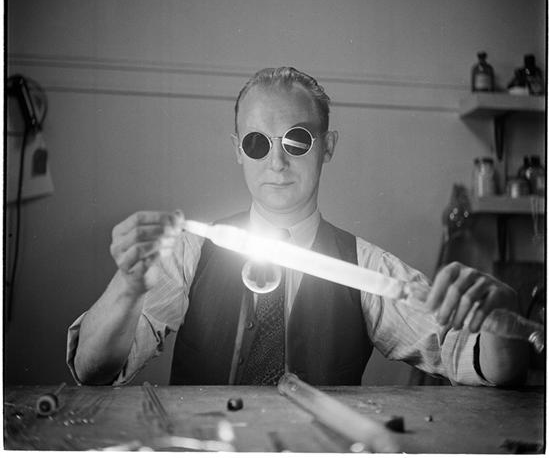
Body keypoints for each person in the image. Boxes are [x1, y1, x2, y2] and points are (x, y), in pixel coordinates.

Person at [67, 67, 528, 387]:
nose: (277, 162)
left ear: (328, 146)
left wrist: (500, 315)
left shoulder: (364, 268)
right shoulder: (189, 252)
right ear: (237, 149)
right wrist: (128, 286)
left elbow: (476, 362)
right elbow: (92, 371)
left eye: (297, 140)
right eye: (257, 143)